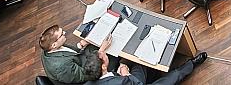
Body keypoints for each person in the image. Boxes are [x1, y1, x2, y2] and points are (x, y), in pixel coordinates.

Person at [76, 47, 207, 84]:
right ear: (103, 67)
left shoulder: (90, 80)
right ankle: (191, 64)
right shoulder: (120, 82)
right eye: (103, 56)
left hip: (125, 79)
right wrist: (126, 74)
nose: (104, 54)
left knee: (141, 63)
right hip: (133, 82)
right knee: (174, 76)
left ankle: (154, 72)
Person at [39, 24, 113, 84]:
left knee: (95, 46)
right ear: (54, 45)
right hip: (87, 76)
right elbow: (88, 75)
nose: (64, 33)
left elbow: (69, 52)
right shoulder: (61, 68)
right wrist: (101, 51)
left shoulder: (48, 48)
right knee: (112, 55)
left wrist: (82, 44)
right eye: (61, 34)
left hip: (80, 62)